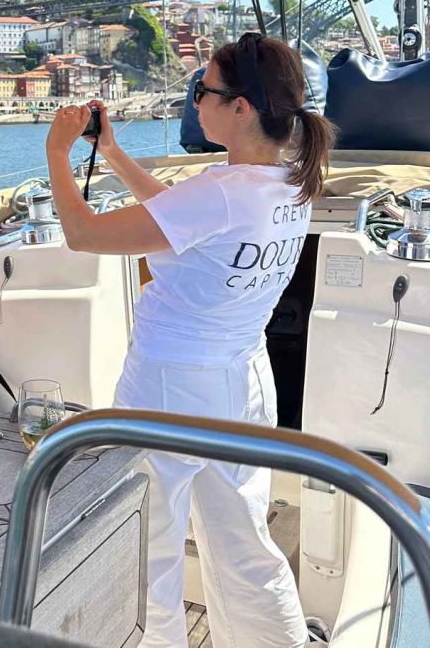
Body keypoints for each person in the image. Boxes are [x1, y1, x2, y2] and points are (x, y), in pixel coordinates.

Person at [44, 34, 335, 647]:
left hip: (169, 387)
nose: (194, 99)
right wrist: (113, 154)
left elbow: (82, 233)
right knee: (244, 541)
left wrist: (57, 151)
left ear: (241, 108)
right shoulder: (290, 182)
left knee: (149, 544)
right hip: (244, 381)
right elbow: (181, 218)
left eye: (203, 89)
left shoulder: (222, 192)